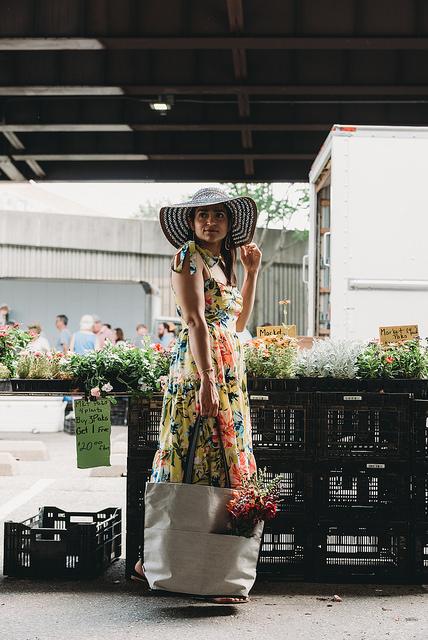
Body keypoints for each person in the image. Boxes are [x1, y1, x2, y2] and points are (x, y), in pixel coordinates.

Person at [133, 186, 262, 604]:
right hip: (200, 370)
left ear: (229, 223)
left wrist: (252, 273)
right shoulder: (187, 256)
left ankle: (211, 564)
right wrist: (207, 379)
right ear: (190, 223)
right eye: (202, 215)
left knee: (219, 452)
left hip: (225, 370)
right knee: (194, 450)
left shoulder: (222, 264)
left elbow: (236, 322)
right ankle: (159, 561)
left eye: (218, 215)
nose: (210, 222)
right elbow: (194, 322)